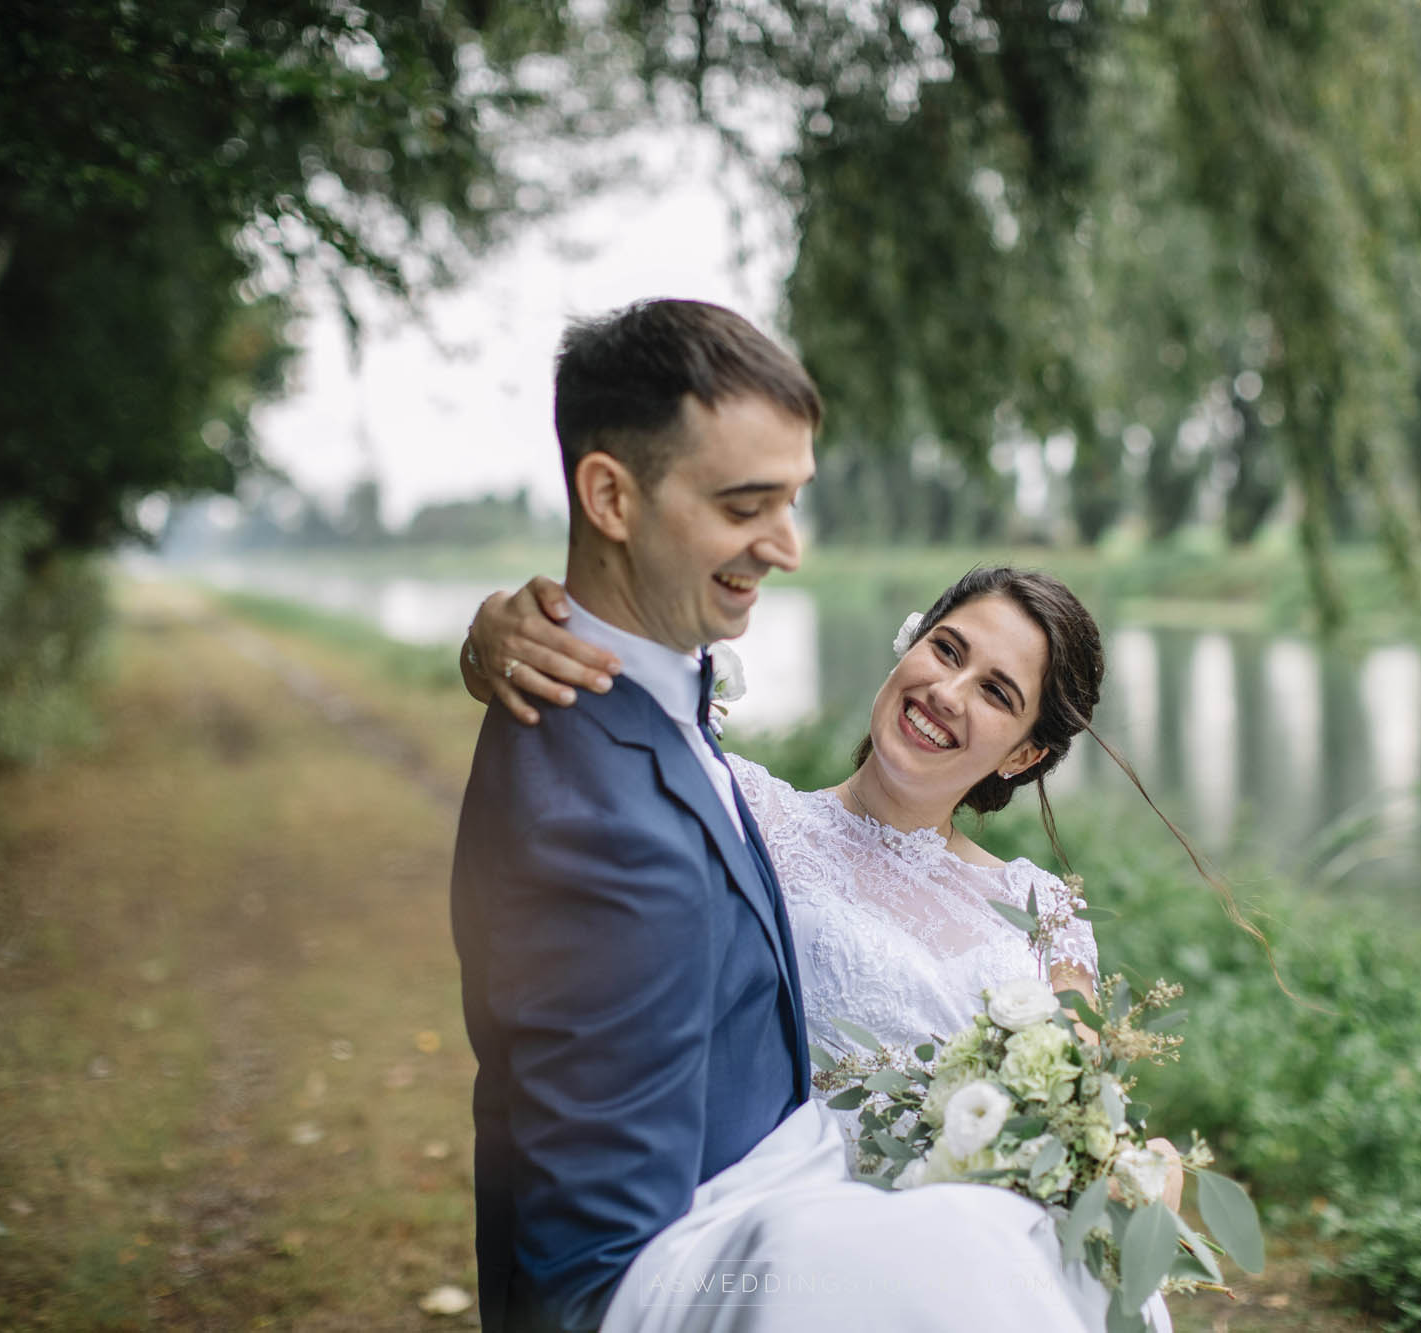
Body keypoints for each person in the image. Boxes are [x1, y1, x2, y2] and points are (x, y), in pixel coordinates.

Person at [451, 298, 1099, 1333]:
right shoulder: (743, 806)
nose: (947, 692)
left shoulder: (1037, 908)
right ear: (908, 642)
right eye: (945, 649)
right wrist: (501, 632)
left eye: (996, 693)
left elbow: (1079, 1110)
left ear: (1023, 754)